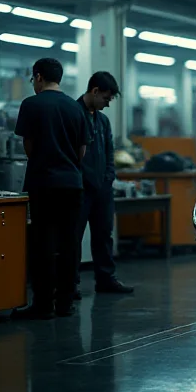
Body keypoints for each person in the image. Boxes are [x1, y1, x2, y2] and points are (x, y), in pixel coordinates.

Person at [12, 58, 91, 319]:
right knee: (69, 243)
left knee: (43, 243)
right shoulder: (75, 107)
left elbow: (29, 146)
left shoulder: (31, 105)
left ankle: (43, 305)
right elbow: (82, 151)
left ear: (38, 77)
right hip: (72, 184)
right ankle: (65, 304)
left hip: (43, 183)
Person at [75, 72, 134, 297]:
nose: (108, 104)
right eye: (106, 99)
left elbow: (109, 153)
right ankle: (71, 284)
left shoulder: (103, 120)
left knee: (104, 235)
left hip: (102, 189)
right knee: (74, 237)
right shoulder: (74, 114)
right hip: (80, 189)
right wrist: (84, 180)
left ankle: (105, 278)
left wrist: (109, 177)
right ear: (95, 91)